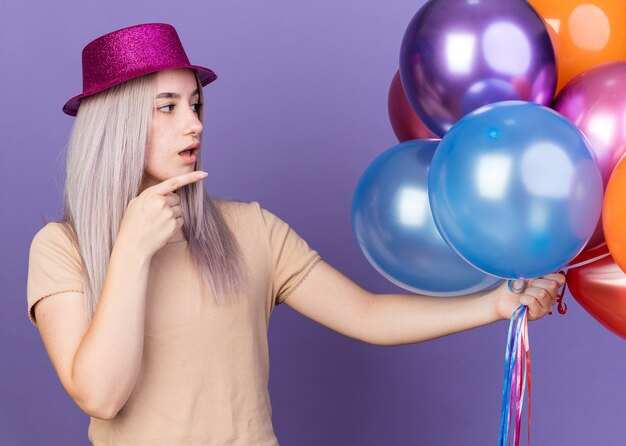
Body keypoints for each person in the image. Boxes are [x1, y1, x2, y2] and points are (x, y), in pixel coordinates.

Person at [26, 23, 565, 445]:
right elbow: (101, 395)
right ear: (116, 125)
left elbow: (367, 316)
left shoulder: (250, 228)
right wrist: (132, 251)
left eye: (195, 105)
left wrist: (494, 305)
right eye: (167, 107)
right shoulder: (61, 248)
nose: (194, 124)